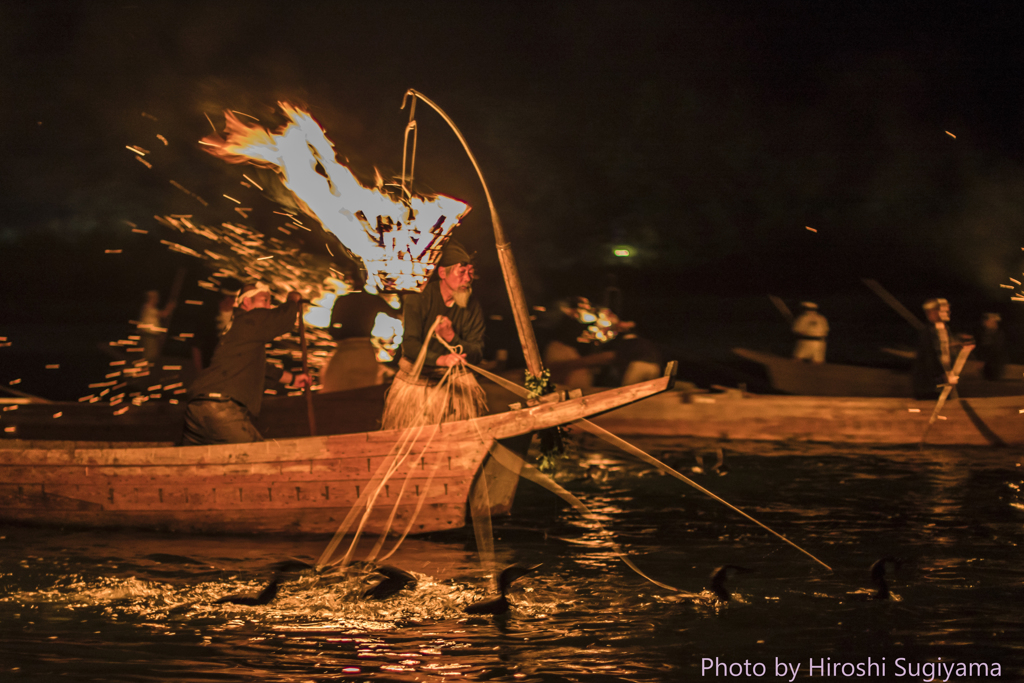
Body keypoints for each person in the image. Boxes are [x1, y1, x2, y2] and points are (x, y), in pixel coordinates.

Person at [181, 283, 310, 445]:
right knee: (261, 457)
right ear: (247, 302)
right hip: (220, 408)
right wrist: (293, 300)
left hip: (197, 408)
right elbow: (283, 319)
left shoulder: (238, 328)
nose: (268, 307)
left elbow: (261, 367)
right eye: (265, 301)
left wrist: (292, 379)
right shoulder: (250, 319)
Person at [380, 240, 487, 430]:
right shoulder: (418, 298)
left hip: (456, 383)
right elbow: (410, 345)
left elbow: (477, 352)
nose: (467, 279)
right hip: (416, 385)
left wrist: (451, 338)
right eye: (461, 272)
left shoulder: (472, 306)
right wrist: (442, 360)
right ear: (442, 273)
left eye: (470, 273)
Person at [320, 290, 396, 392]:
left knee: (334, 396)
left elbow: (332, 330)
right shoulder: (373, 299)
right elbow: (396, 313)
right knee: (363, 397)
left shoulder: (343, 300)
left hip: (343, 354)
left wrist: (341, 335)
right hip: (365, 354)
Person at [912, 298, 969, 400]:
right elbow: (930, 357)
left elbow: (943, 350)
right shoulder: (928, 332)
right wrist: (941, 375)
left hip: (941, 382)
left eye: (948, 310)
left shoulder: (944, 329)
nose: (948, 313)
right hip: (930, 386)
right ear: (933, 313)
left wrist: (954, 346)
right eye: (944, 310)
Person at [138, 289, 176, 362]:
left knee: (151, 355)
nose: (157, 300)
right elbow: (164, 314)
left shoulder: (150, 308)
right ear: (151, 298)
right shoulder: (148, 308)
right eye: (155, 298)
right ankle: (143, 370)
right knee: (148, 356)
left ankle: (145, 369)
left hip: (151, 336)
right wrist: (170, 307)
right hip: (148, 336)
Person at [975, 312, 1007, 381]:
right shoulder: (989, 333)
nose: (984, 323)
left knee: (992, 383)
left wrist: (982, 360)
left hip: (994, 364)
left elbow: (990, 349)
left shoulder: (995, 334)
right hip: (991, 364)